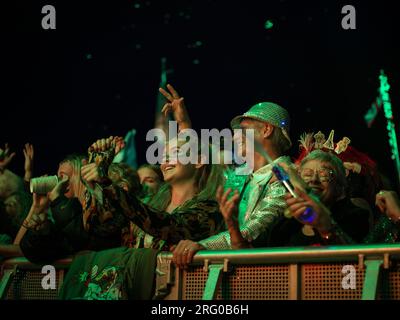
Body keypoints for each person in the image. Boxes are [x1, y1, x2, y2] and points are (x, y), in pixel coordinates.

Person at [171, 101, 293, 268]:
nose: (235, 136)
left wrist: (204, 246)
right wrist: (184, 125)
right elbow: (200, 167)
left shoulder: (284, 176)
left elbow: (253, 229)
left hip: (263, 276)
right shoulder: (239, 174)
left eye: (242, 130)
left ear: (266, 130)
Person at [81, 135, 226, 251]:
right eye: (164, 155)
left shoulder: (210, 210)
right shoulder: (147, 202)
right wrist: (99, 166)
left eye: (175, 152)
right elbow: (99, 229)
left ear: (199, 160)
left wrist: (107, 184)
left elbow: (167, 225)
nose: (165, 159)